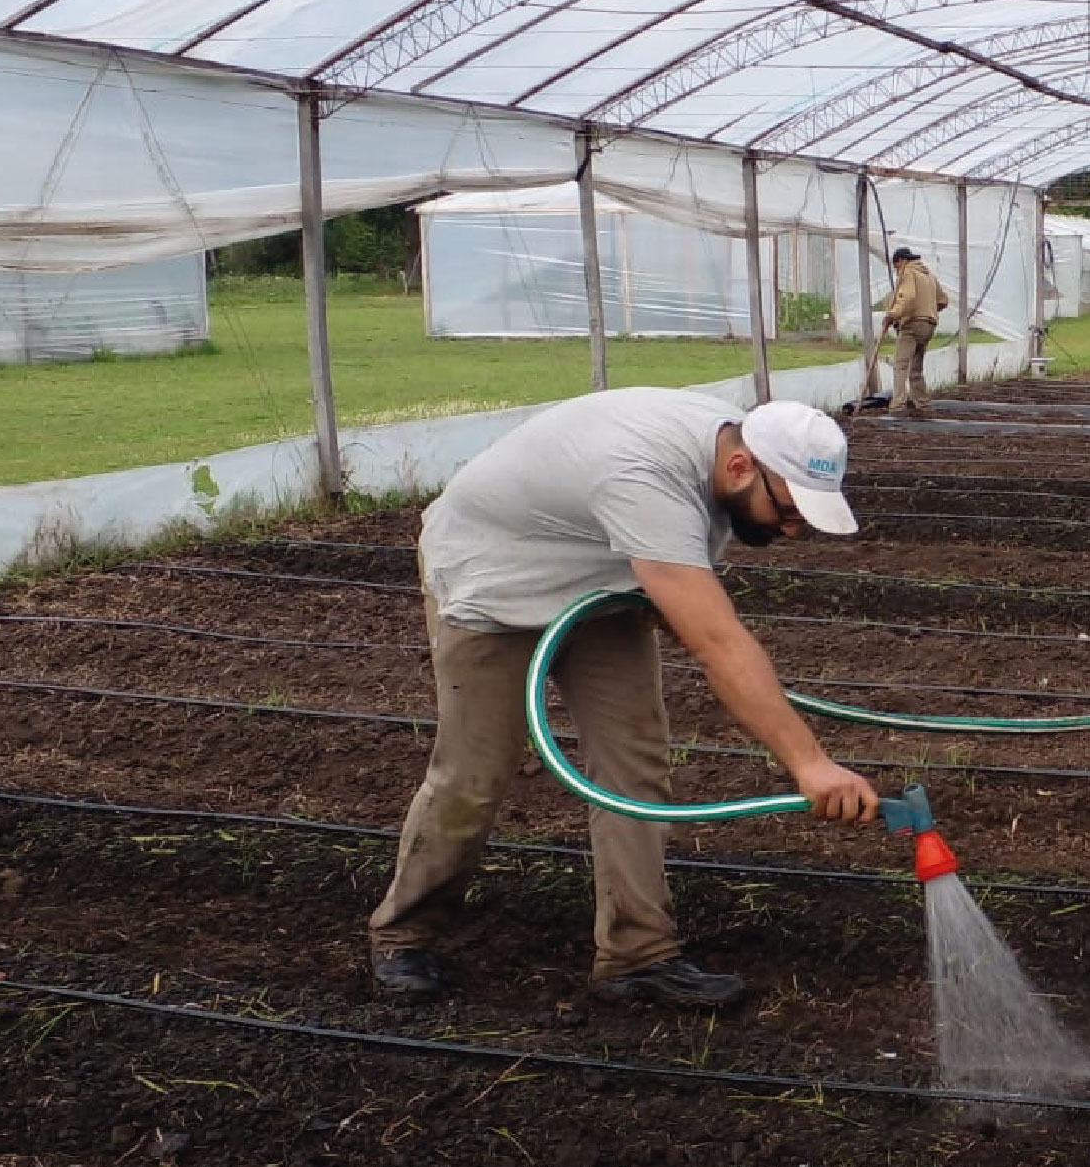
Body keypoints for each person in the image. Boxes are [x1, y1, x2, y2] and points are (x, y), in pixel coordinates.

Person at [368, 392, 881, 1010]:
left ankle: (638, 956)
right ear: (743, 466)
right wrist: (810, 764)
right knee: (476, 772)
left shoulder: (727, 455)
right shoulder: (645, 477)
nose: (793, 531)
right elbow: (719, 644)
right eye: (791, 514)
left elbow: (691, 610)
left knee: (635, 761)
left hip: (600, 581)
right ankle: (403, 932)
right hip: (492, 579)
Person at [881, 247, 948, 417]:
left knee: (900, 365)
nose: (897, 271)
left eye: (896, 267)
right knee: (916, 368)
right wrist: (928, 310)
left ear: (901, 261)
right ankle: (923, 405)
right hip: (929, 325)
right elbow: (943, 300)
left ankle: (897, 406)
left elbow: (908, 298)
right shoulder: (928, 275)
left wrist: (892, 314)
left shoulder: (908, 272)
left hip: (912, 325)